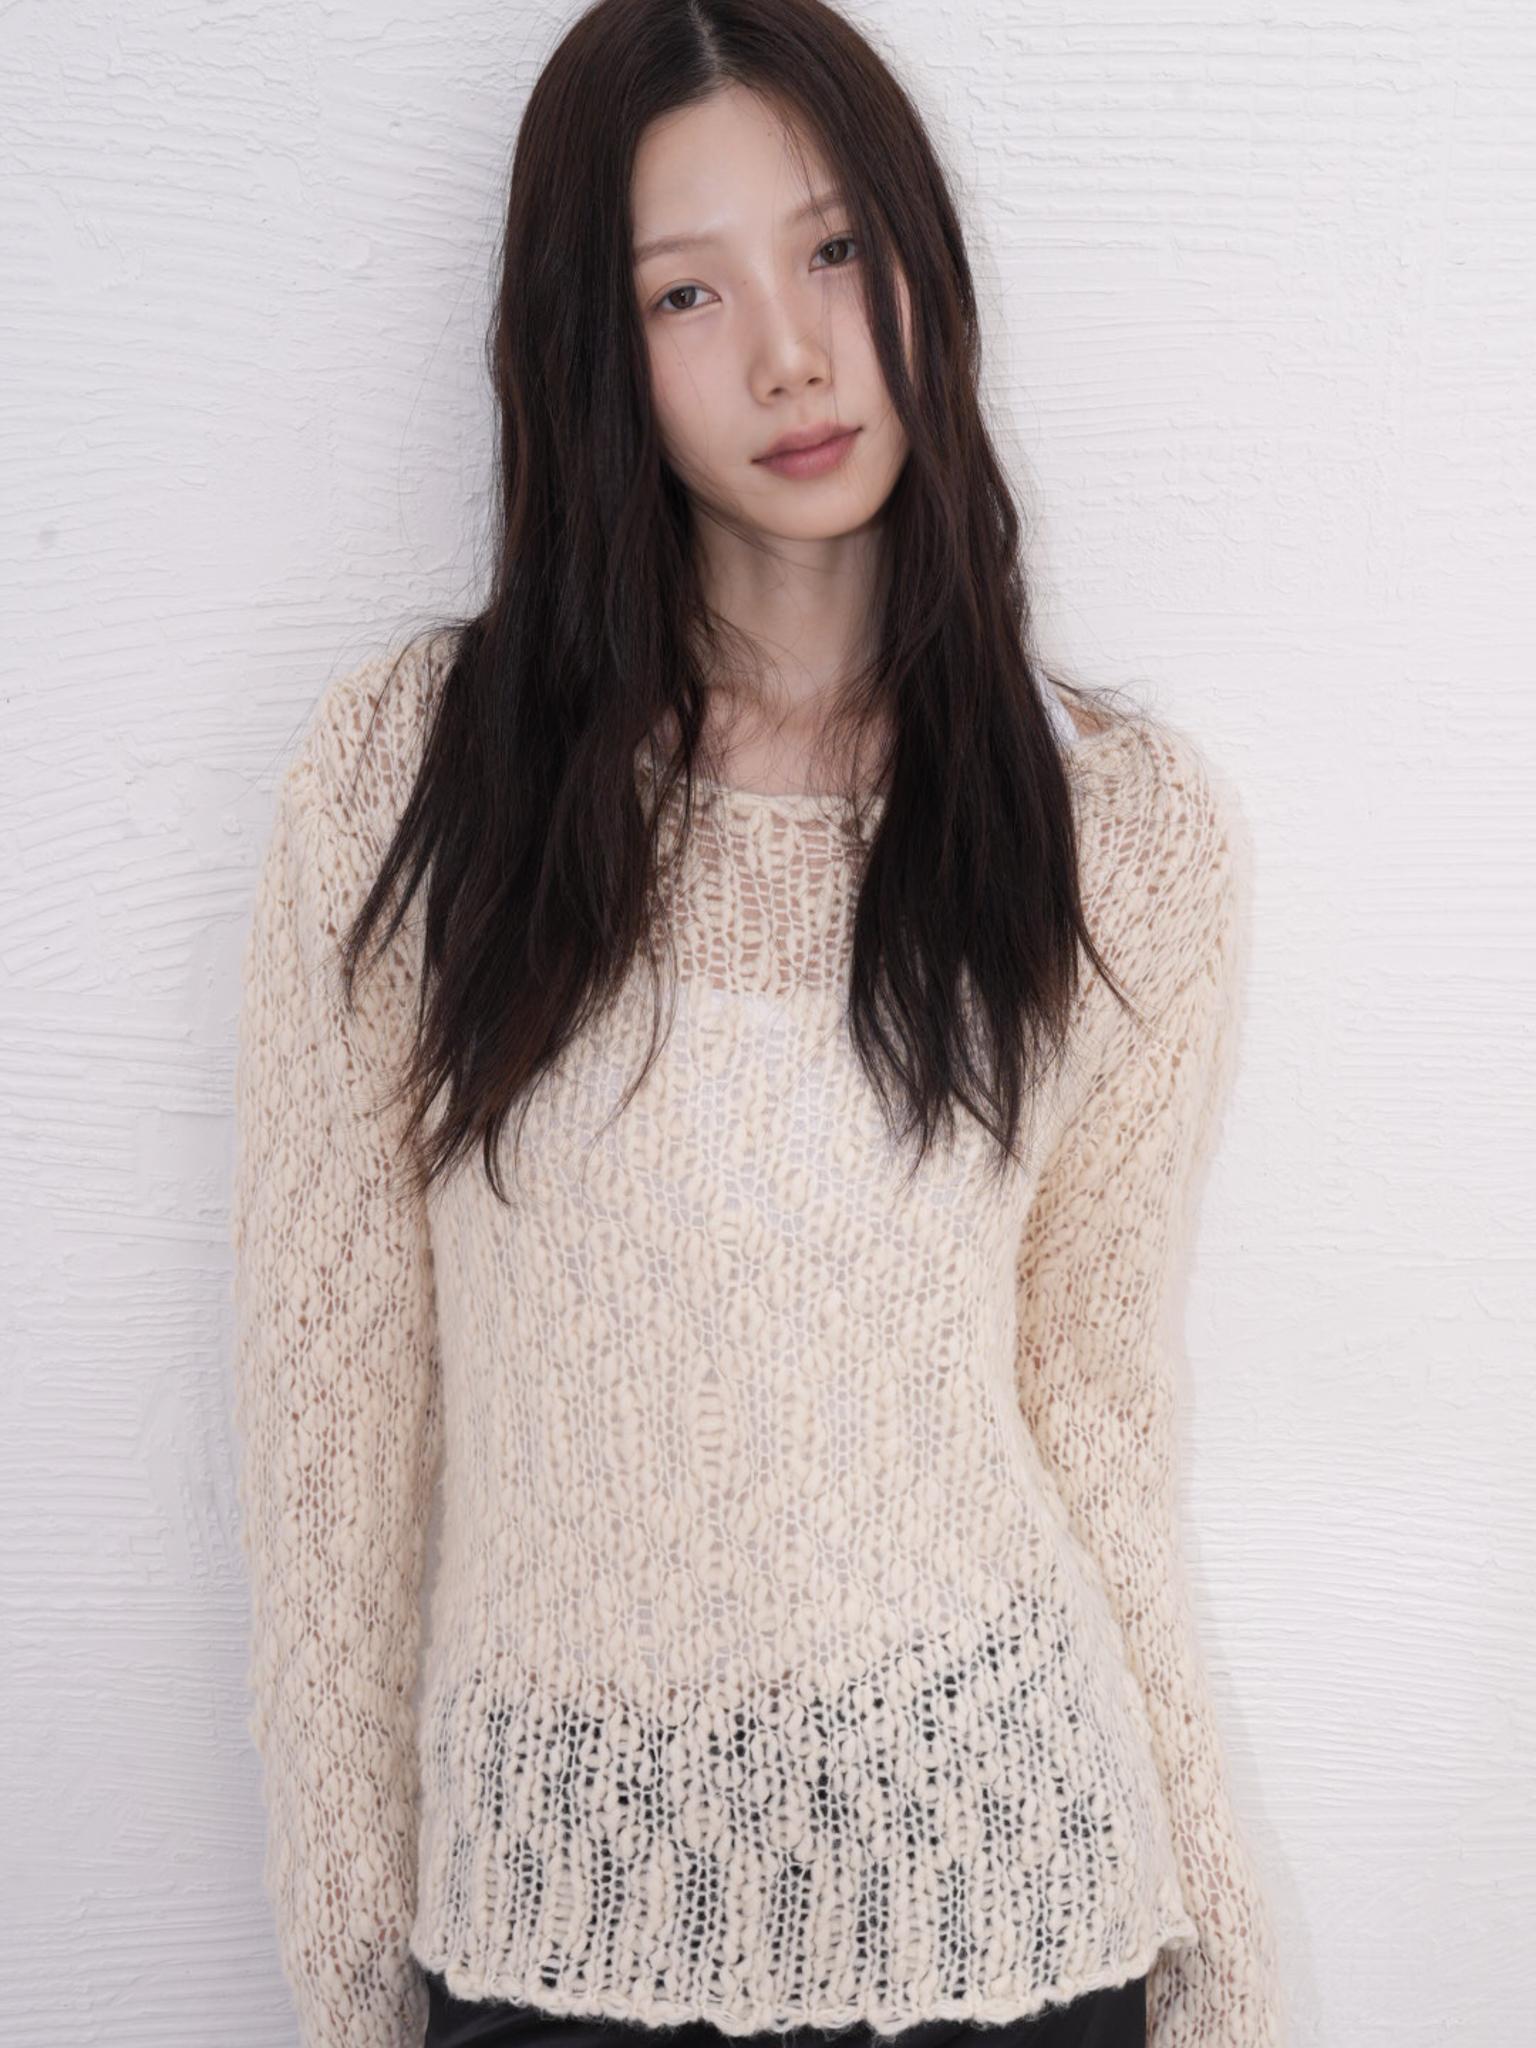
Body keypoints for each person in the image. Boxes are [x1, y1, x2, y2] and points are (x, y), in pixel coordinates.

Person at [227, 2, 1285, 2046]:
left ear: (919, 263)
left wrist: (1217, 1954)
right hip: (555, 1945)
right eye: (685, 293)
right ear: (590, 348)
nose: (791, 353)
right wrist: (355, 1973)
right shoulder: (410, 787)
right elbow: (328, 1422)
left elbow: (1094, 1409)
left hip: (1015, 1916)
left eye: (833, 250)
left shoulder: (1117, 832)